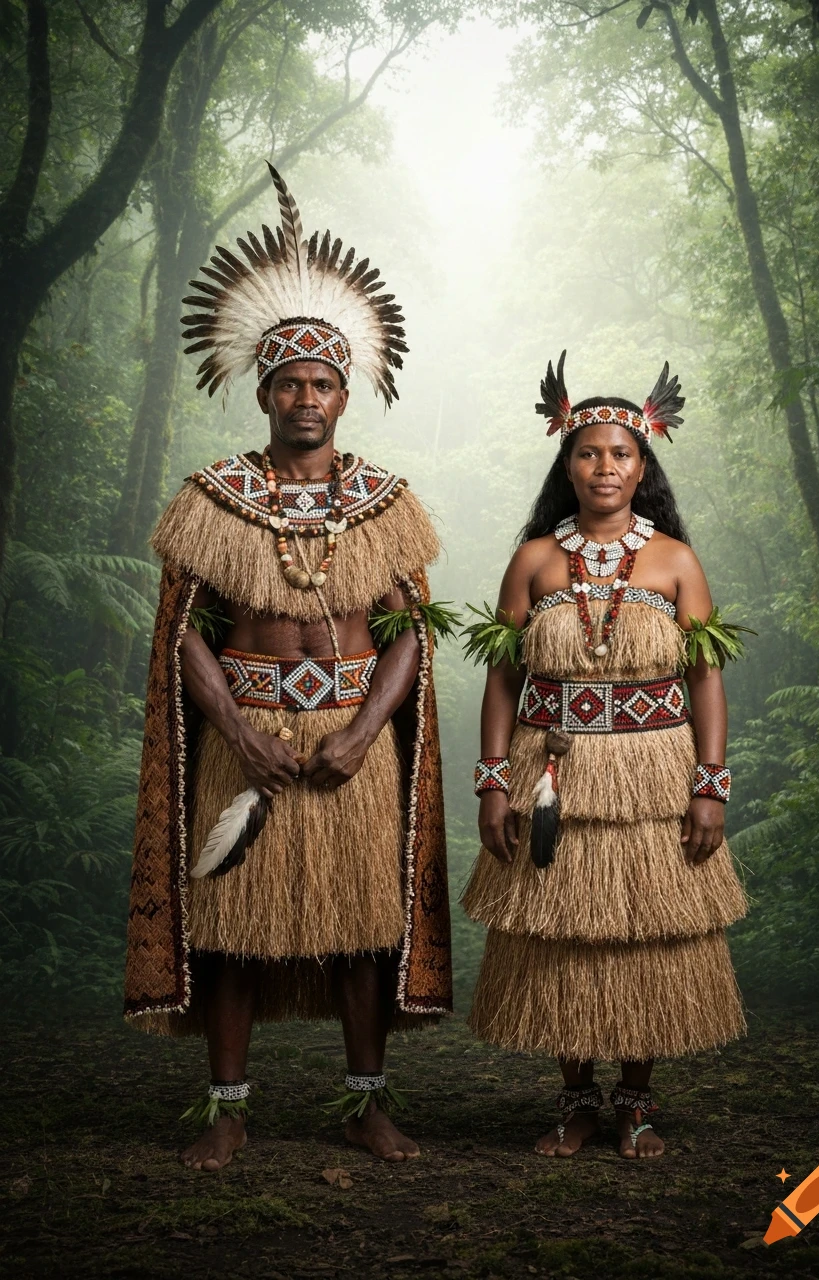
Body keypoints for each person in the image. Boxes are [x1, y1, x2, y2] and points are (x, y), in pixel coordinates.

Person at [123, 165, 452, 1171]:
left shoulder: (386, 500)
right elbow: (184, 625)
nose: (304, 397)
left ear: (346, 393)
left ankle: (366, 1104)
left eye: (320, 382)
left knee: (359, 929)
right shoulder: (212, 497)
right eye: (286, 382)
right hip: (247, 739)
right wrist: (235, 727)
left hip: (351, 739)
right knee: (229, 927)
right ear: (259, 390)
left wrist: (360, 732)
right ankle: (227, 1110)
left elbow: (409, 631)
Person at [462, 352, 747, 1159]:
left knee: (642, 932)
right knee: (563, 932)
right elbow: (502, 681)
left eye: (620, 452)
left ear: (643, 462)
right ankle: (576, 1100)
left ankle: (638, 1101)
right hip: (551, 775)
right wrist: (491, 784)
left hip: (654, 779)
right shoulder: (534, 560)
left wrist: (710, 787)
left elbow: (705, 680)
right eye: (588, 452)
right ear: (567, 461)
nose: (604, 466)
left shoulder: (675, 562)